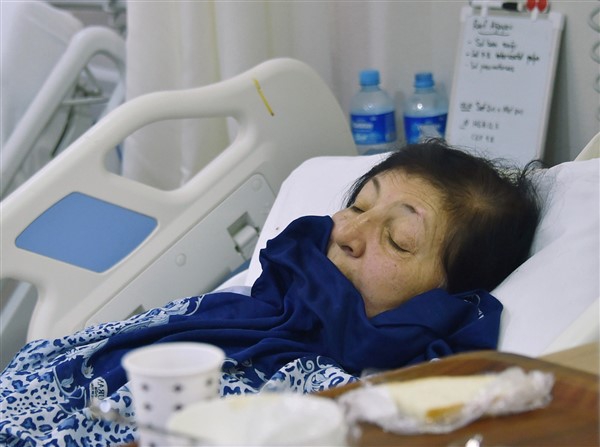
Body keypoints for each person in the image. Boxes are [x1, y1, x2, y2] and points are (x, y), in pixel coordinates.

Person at [0, 140, 540, 446]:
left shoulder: (357, 403)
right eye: (357, 206)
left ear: (443, 302)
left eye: (398, 240)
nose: (348, 233)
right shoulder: (231, 308)